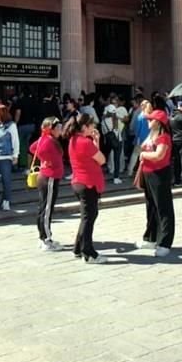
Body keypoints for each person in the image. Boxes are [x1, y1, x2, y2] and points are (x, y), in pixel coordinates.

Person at [66, 113, 107, 263]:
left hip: (79, 182)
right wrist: (95, 142)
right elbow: (101, 159)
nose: (93, 127)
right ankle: (88, 253)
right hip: (87, 183)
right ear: (84, 127)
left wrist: (96, 140)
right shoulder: (85, 142)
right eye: (91, 125)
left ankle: (78, 247)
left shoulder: (74, 140)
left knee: (87, 217)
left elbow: (95, 158)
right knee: (88, 218)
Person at [137, 110, 176, 257]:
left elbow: (159, 155)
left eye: (151, 119)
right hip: (148, 173)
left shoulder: (164, 137)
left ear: (158, 122)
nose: (148, 121)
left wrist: (144, 155)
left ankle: (165, 242)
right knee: (151, 206)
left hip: (159, 174)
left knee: (163, 207)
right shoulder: (151, 135)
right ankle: (150, 238)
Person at [30, 117, 64, 251]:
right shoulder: (48, 140)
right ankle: (45, 238)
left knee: (45, 207)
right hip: (49, 177)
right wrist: (46, 160)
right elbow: (34, 149)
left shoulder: (46, 139)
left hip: (49, 176)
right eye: (58, 128)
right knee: (46, 209)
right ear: (51, 129)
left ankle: (44, 237)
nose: (60, 130)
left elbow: (33, 148)